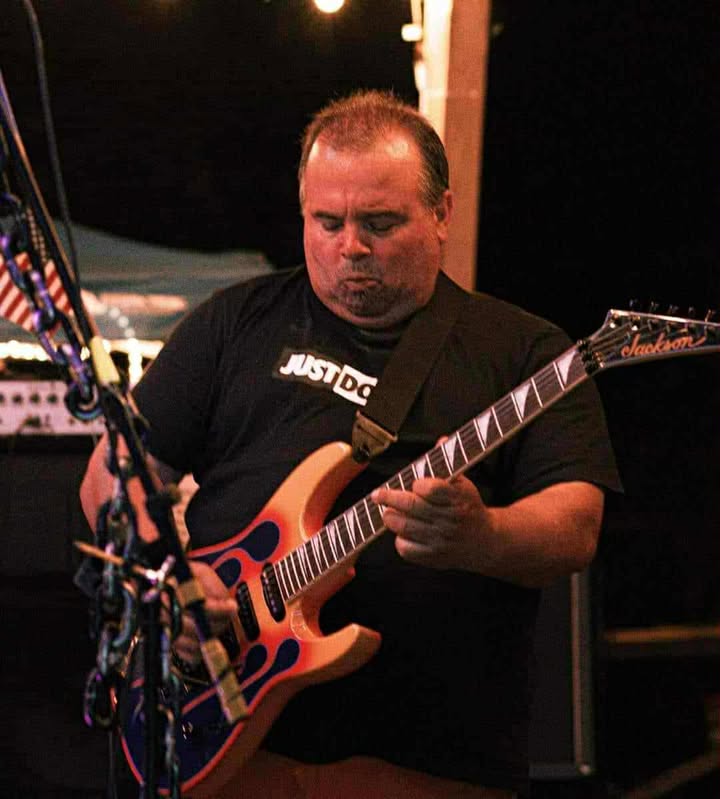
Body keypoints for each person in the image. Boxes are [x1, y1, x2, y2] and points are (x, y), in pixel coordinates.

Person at [80, 90, 621, 798]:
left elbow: (575, 526)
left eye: (380, 223)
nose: (350, 246)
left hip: (425, 761)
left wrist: (482, 535)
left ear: (442, 213)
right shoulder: (236, 321)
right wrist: (169, 576)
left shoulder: (528, 354)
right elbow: (112, 473)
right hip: (229, 751)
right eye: (326, 222)